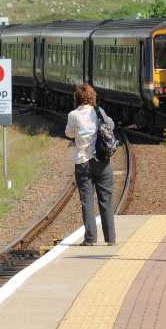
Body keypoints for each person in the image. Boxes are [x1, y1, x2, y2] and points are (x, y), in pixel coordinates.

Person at [65, 83, 116, 246]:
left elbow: (68, 133)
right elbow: (111, 125)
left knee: (87, 201)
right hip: (102, 161)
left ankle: (90, 239)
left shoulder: (73, 115)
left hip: (83, 162)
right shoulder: (99, 111)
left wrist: (79, 133)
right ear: (92, 97)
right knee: (106, 200)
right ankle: (110, 239)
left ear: (77, 98)